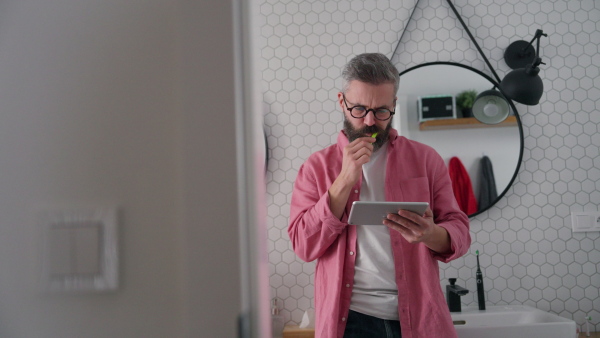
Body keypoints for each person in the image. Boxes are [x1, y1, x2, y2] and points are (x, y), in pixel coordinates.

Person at [288, 53, 471, 338]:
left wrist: (430, 234)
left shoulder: (426, 159)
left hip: (419, 317)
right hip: (349, 322)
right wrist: (345, 178)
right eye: (359, 109)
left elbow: (460, 232)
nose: (370, 121)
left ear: (394, 105)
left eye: (382, 111)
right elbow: (303, 245)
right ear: (341, 102)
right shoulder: (316, 167)